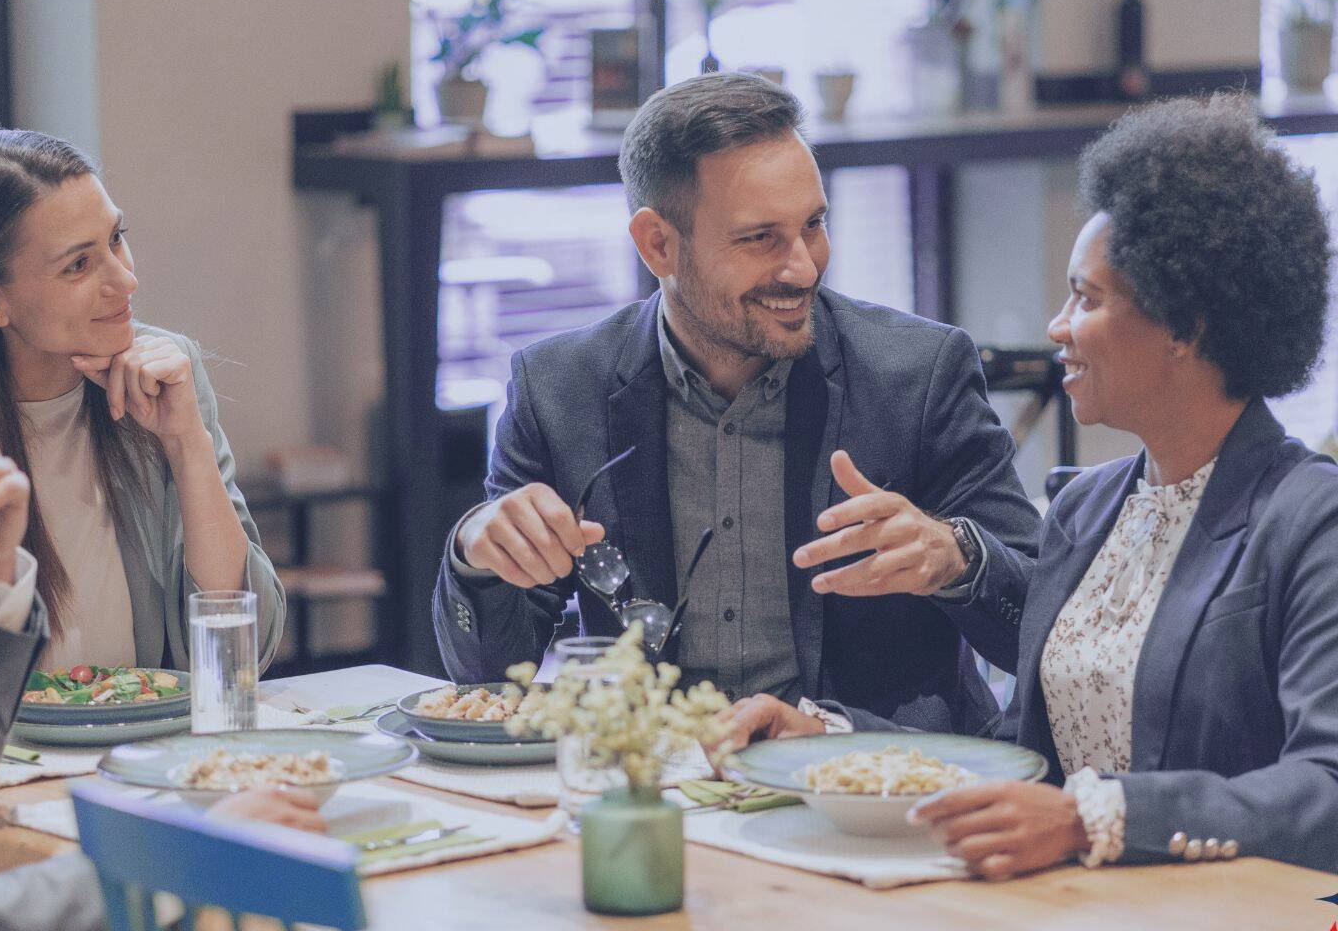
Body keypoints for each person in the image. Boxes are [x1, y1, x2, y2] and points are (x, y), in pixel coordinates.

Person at [727, 96, 1338, 877]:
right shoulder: (1086, 509)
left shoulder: (1310, 518)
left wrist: (1094, 820)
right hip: (1064, 928)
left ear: (1188, 328)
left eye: (1086, 298)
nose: (1057, 326)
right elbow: (1021, 764)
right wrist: (834, 744)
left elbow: (1325, 788)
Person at [434, 73, 1039, 734]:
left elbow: (1047, 630)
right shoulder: (559, 388)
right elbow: (489, 678)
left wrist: (957, 558)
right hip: (653, 783)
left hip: (869, 785)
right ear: (658, 244)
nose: (803, 267)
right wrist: (476, 553)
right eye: (761, 239)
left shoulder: (918, 374)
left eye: (813, 225)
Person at [0, 198, 324, 931]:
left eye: (117, 243)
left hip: (156, 776)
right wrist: (177, 862)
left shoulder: (156, 377)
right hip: (42, 851)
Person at [0, 129, 283, 675]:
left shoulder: (168, 374)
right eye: (78, 266)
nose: (126, 279)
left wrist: (187, 446)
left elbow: (241, 658)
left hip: (141, 749)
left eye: (116, 238)